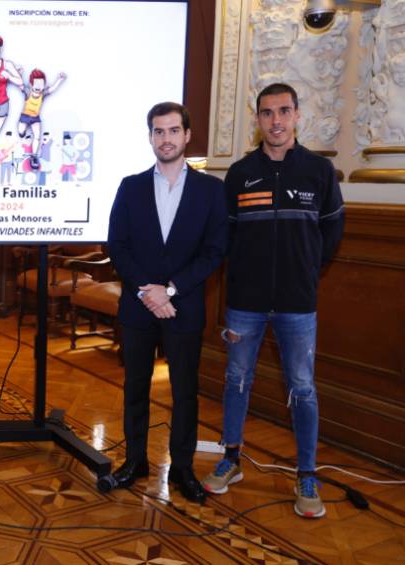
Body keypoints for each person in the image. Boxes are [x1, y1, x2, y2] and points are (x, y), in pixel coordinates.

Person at [201, 83, 344, 519]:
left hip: (298, 305)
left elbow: (332, 231)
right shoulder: (240, 174)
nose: (276, 121)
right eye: (267, 113)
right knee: (236, 380)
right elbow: (226, 235)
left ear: (297, 115)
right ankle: (231, 458)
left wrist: (306, 270)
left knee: (303, 387)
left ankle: (306, 473)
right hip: (245, 302)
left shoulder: (319, 171)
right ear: (258, 119)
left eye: (283, 111)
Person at [107, 102, 227, 503]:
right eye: (159, 131)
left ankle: (182, 469)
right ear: (150, 137)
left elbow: (215, 250)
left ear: (187, 135)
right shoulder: (131, 186)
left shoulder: (211, 191)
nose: (166, 138)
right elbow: (117, 245)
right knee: (135, 388)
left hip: (184, 306)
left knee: (185, 393)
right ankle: (135, 461)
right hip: (138, 306)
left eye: (174, 130)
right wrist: (147, 291)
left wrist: (170, 290)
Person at [16, 68, 66, 169]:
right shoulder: (28, 92)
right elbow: (20, 84)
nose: (38, 87)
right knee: (21, 132)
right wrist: (18, 74)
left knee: (37, 136)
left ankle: (34, 157)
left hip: (35, 118)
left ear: (44, 85)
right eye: (36, 84)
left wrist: (59, 79)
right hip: (25, 116)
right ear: (31, 84)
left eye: (41, 84)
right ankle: (22, 132)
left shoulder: (43, 94)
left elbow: (52, 89)